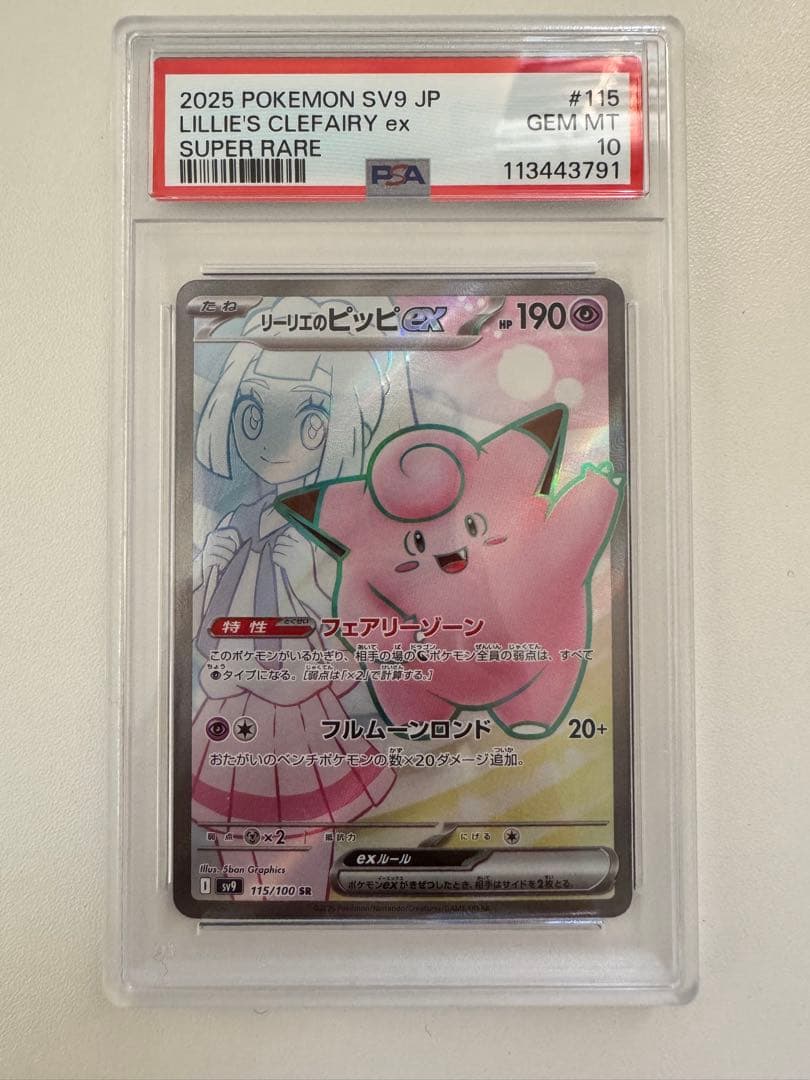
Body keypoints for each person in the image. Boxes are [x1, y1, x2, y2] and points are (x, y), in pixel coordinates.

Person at [190, 297, 413, 896]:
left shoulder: (326, 533)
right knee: (234, 851)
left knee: (305, 846)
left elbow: (355, 639)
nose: (273, 442)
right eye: (252, 415)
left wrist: (314, 587)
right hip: (233, 706)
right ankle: (248, 912)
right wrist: (208, 571)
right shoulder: (237, 523)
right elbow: (206, 630)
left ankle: (297, 910)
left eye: (311, 420)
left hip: (298, 708)